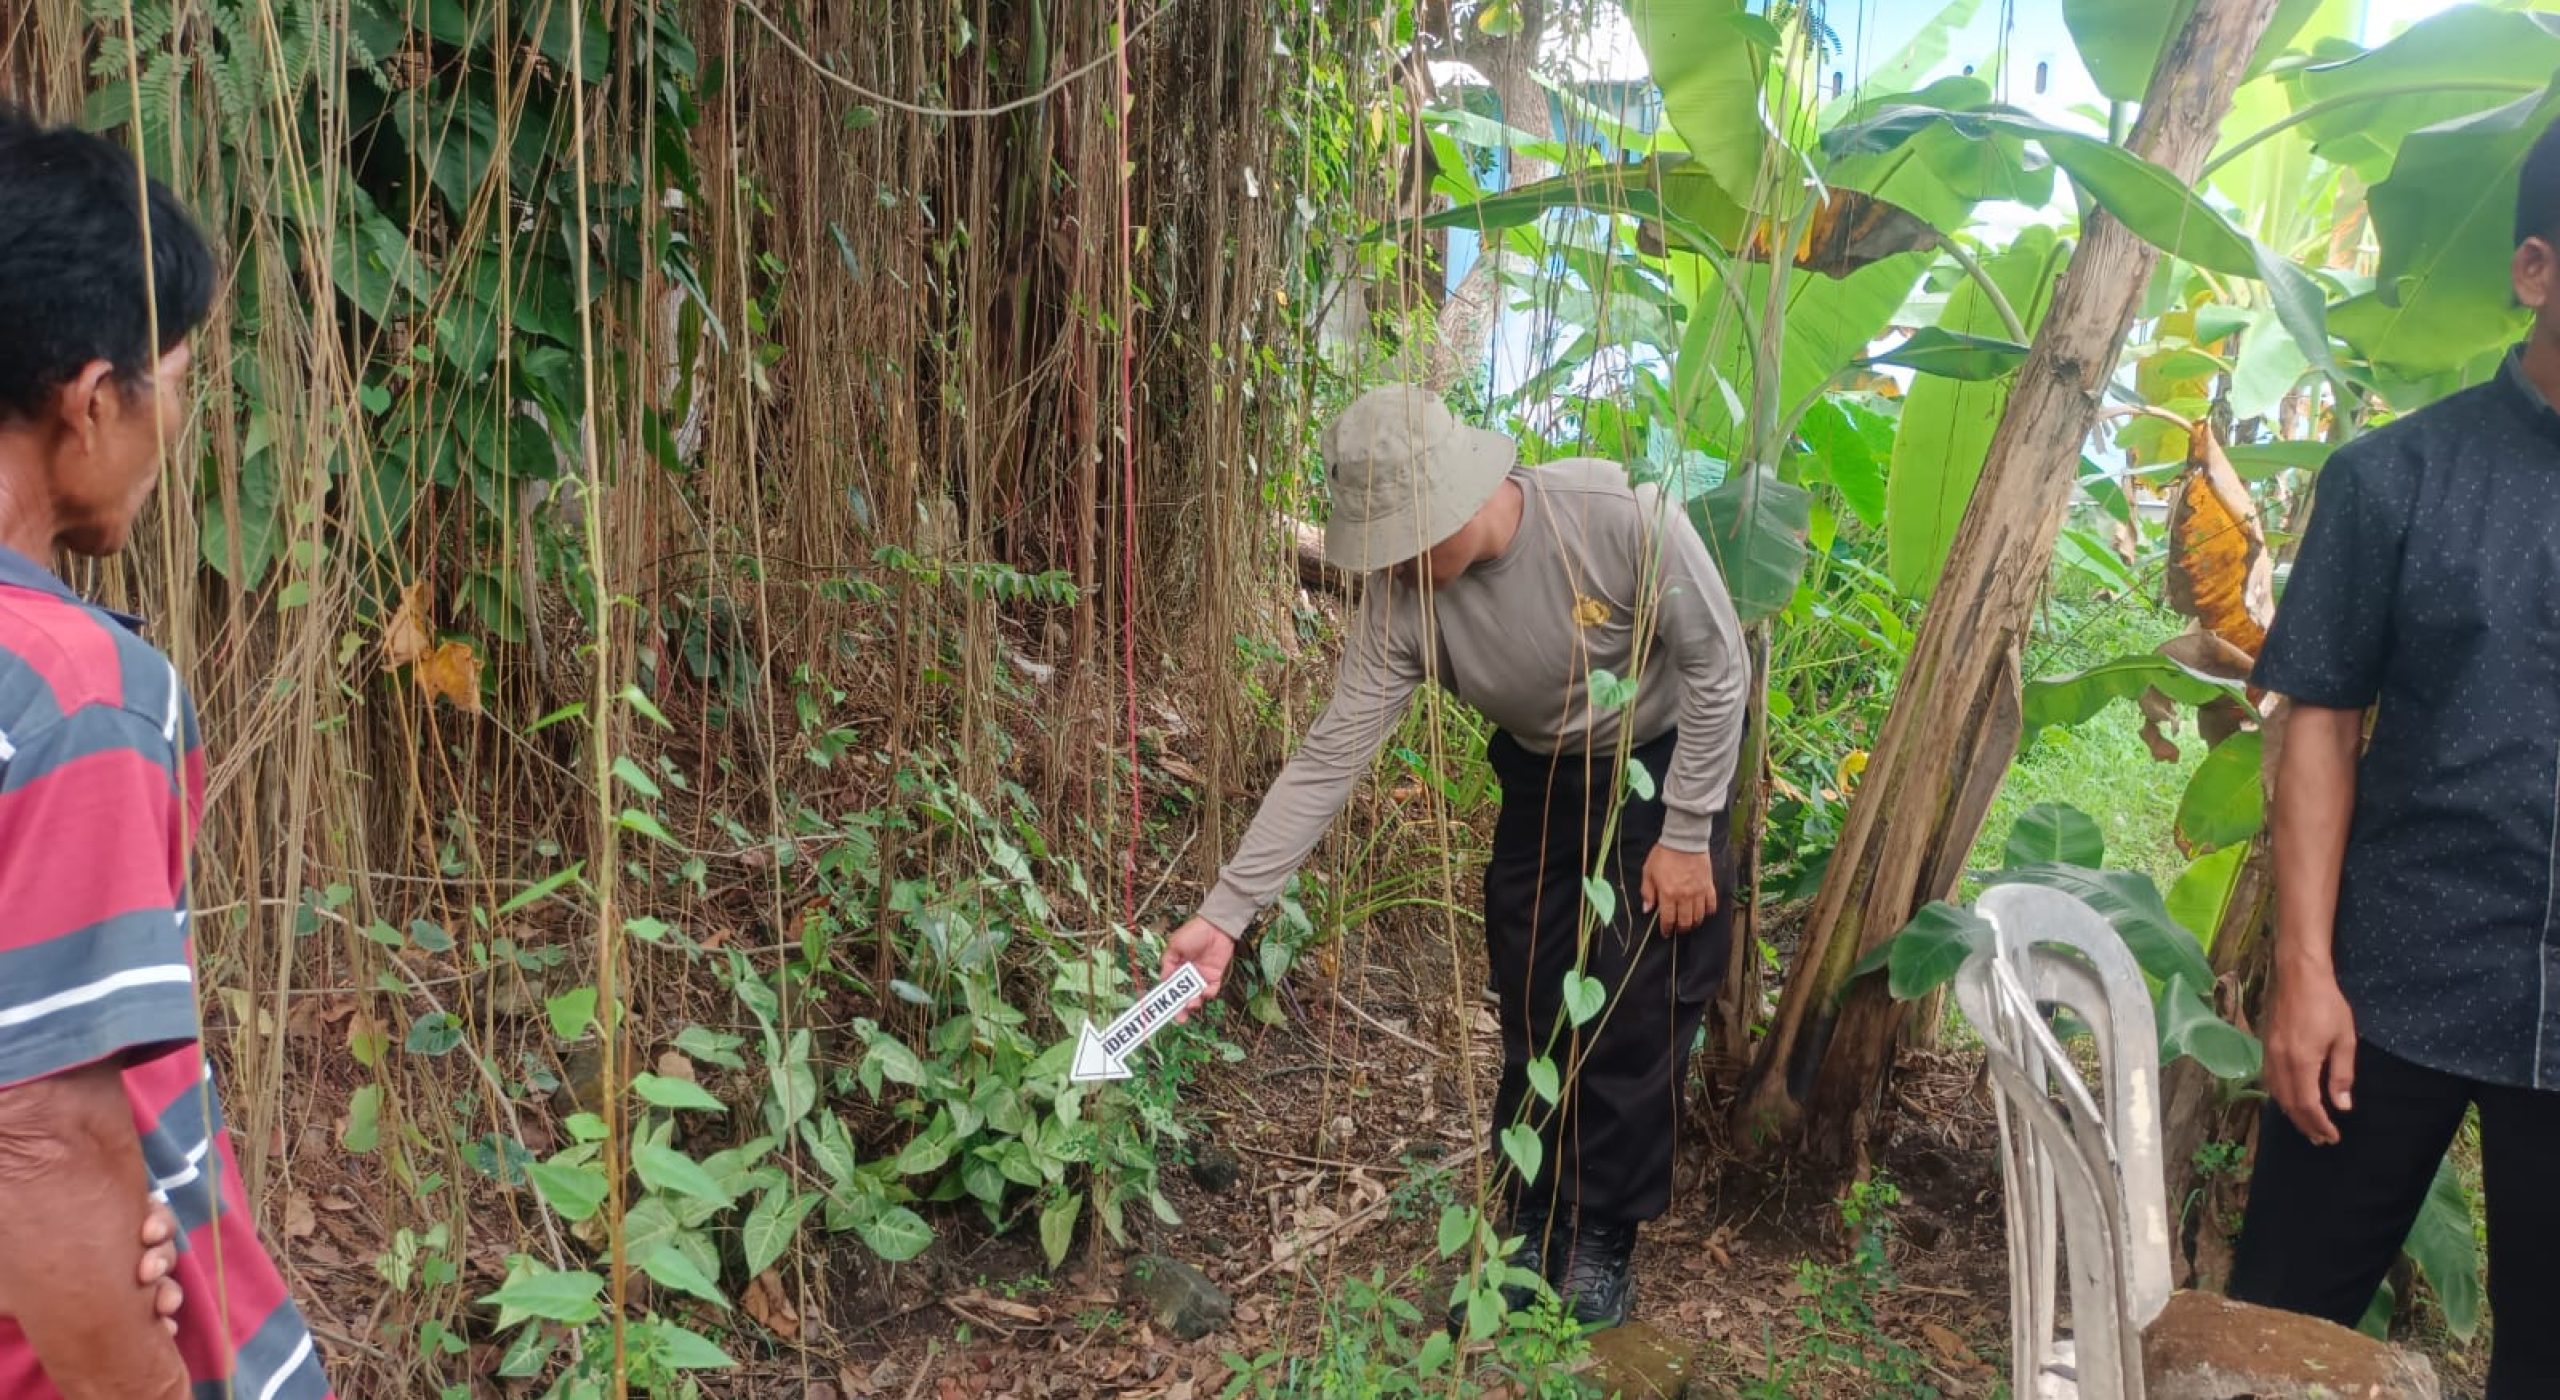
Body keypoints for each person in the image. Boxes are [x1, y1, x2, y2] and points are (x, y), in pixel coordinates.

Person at [1160, 385, 1748, 1329]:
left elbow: (1720, 669)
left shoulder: (1621, 518)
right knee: (1530, 995)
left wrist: (1685, 836)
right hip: (1541, 782)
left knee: (1635, 1011)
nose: (1390, 561)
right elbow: (1328, 758)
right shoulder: (1403, 604)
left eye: (1404, 534)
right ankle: (1534, 1211)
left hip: (1660, 769)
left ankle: (1602, 1240)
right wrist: (1226, 913)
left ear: (1463, 498)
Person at [0, 108, 332, 1398]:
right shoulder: (74, 695)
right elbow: (35, 1139)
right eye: (177, 382)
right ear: (92, 401)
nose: (175, 428)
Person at [2230, 116, 2560, 1396]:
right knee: (2280, 1336)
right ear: (2533, 270)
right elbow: (2315, 717)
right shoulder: (2396, 480)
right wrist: (2302, 972)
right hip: (2393, 987)